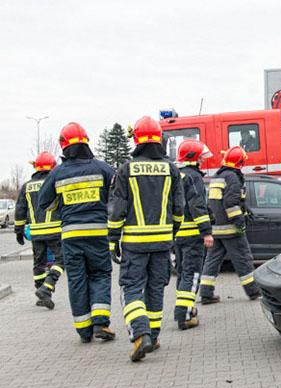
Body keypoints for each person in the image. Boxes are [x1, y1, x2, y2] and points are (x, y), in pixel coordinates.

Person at [107, 116, 185, 362]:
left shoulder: (126, 169)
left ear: (137, 139)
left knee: (130, 288)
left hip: (134, 244)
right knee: (155, 289)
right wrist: (171, 234)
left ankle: (141, 335)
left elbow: (117, 209)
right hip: (162, 243)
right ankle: (154, 334)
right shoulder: (171, 168)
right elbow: (179, 209)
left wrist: (113, 241)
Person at [38, 122, 116, 343]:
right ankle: (101, 323)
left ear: (63, 146)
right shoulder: (103, 168)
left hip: (71, 236)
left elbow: (45, 203)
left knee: (77, 279)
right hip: (99, 233)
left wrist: (62, 207)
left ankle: (84, 330)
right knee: (100, 274)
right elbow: (118, 195)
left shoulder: (57, 172)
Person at [198, 146, 260, 304]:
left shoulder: (218, 177)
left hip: (216, 228)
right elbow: (231, 203)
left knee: (212, 261)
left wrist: (246, 211)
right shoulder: (232, 177)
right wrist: (240, 223)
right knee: (243, 259)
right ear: (240, 162)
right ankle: (253, 291)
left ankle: (206, 293)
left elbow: (214, 204)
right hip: (231, 230)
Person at [173, 140, 214, 330]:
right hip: (193, 235)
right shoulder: (193, 177)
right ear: (193, 158)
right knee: (192, 274)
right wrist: (206, 231)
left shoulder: (177, 175)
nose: (202, 161)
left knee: (182, 273)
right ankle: (185, 315)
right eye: (200, 157)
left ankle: (184, 308)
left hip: (178, 235)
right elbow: (197, 205)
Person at [14, 151, 63, 310]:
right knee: (61, 259)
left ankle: (42, 293)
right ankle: (47, 286)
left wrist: (19, 230)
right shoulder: (55, 182)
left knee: (39, 263)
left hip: (36, 232)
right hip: (55, 230)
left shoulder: (26, 186)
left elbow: (20, 209)